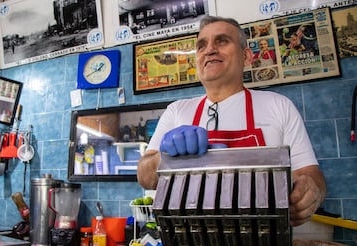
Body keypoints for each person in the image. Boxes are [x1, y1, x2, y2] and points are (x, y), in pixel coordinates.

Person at [137, 15, 326, 227]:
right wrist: (163, 160)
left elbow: (310, 175)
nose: (209, 50)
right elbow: (145, 176)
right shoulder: (177, 111)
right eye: (201, 45)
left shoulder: (278, 105)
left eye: (222, 41)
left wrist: (311, 192)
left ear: (246, 57)